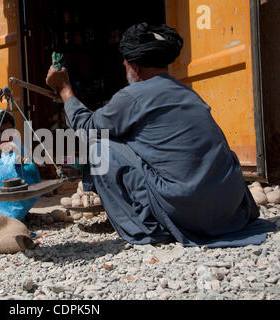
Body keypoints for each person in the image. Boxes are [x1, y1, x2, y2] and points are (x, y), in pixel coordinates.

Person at [45, 23, 275, 247]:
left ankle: (147, 228)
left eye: (125, 65)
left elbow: (86, 128)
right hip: (229, 210)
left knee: (98, 148)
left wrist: (65, 90)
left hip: (192, 213)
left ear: (134, 67)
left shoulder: (132, 96)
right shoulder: (189, 93)